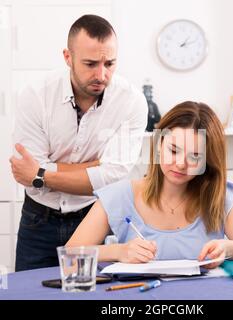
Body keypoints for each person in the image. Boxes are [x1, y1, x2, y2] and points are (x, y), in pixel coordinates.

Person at [10, 14, 148, 271]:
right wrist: (95, 166)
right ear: (67, 57)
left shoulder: (131, 102)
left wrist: (41, 174)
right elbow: (26, 171)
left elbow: (113, 176)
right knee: (27, 294)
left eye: (110, 63)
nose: (102, 74)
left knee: (93, 294)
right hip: (38, 219)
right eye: (91, 63)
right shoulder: (35, 95)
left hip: (95, 218)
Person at [66, 101, 233, 267]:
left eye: (195, 156)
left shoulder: (218, 196)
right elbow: (70, 253)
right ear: (158, 145)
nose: (181, 163)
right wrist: (119, 251)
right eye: (173, 150)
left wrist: (227, 248)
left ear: (208, 160)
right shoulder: (120, 195)